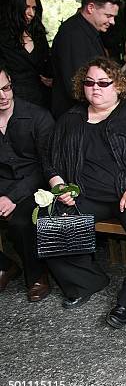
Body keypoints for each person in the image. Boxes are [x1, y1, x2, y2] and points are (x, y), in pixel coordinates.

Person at [43, 57, 126, 328]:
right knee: (51, 222)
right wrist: (59, 185)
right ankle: (87, 281)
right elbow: (50, 160)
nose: (95, 88)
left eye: (103, 82)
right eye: (89, 82)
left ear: (119, 85)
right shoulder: (71, 118)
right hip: (85, 193)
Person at [0, 63, 54, 301]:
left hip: (35, 185)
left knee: (22, 221)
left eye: (6, 88)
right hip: (2, 184)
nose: (3, 96)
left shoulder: (37, 116)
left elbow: (47, 166)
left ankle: (37, 275)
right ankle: (6, 265)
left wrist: (12, 197)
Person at [50, 0, 122, 118]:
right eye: (108, 16)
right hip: (76, 117)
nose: (112, 22)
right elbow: (75, 85)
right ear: (90, 8)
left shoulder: (87, 31)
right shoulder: (72, 33)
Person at [0, 0, 52, 109]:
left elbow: (47, 66)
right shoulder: (2, 36)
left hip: (42, 101)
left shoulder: (38, 34)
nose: (31, 13)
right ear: (13, 8)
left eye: (34, 8)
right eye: (26, 7)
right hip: (13, 104)